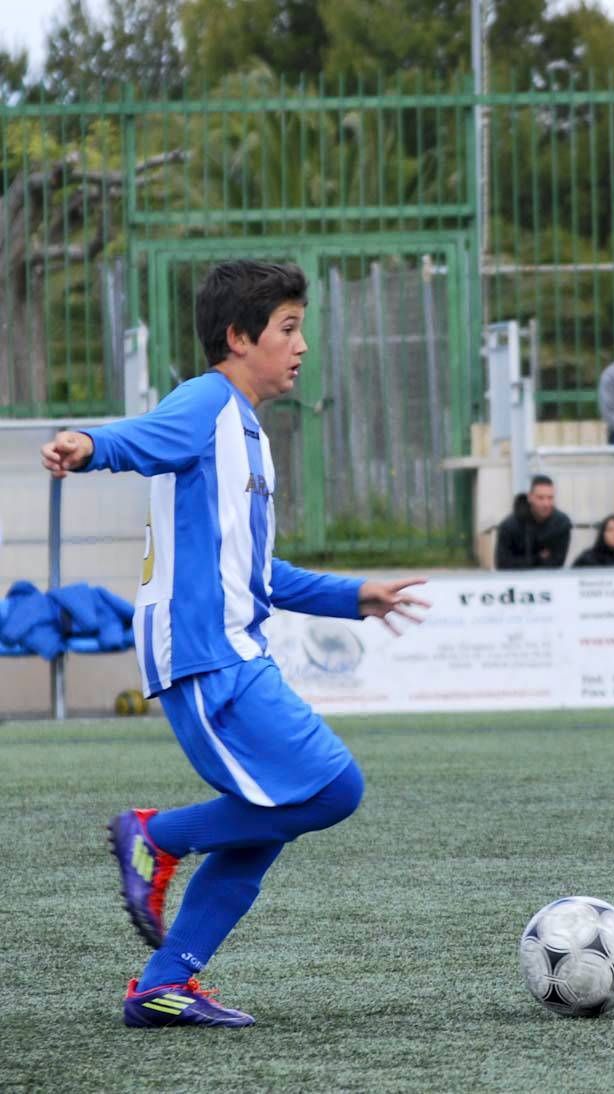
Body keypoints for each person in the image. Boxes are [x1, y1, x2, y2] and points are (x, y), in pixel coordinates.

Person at [40, 260, 430, 1030]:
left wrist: (353, 596)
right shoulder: (208, 401)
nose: (303, 345)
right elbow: (146, 439)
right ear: (238, 337)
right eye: (288, 328)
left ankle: (165, 984)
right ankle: (155, 835)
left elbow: (257, 570)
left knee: (269, 816)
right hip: (207, 654)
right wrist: (88, 442)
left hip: (225, 648)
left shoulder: (246, 431)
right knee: (331, 788)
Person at [494, 474, 571, 569]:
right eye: (540, 498)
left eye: (550, 498)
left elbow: (557, 562)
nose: (546, 503)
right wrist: (538, 559)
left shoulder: (561, 524)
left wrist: (522, 560)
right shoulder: (509, 526)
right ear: (530, 497)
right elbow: (503, 563)